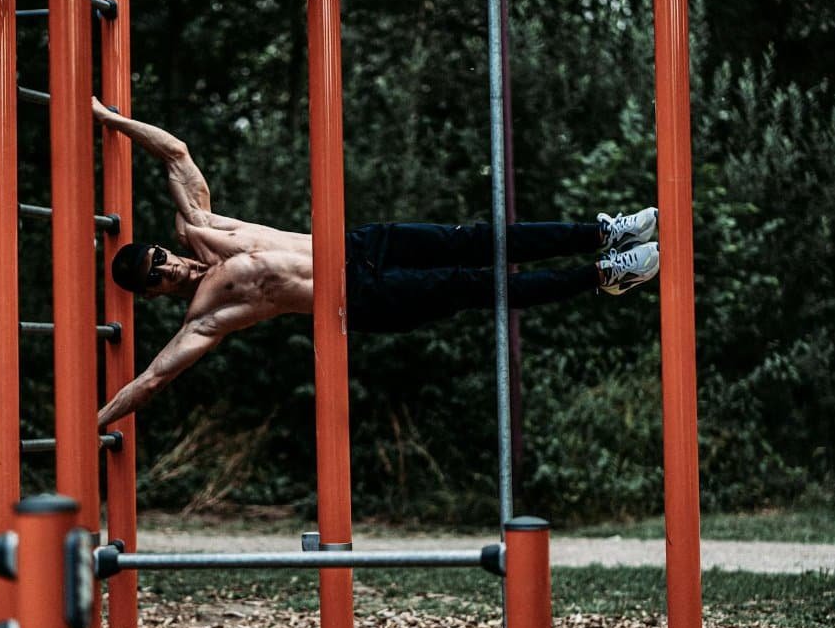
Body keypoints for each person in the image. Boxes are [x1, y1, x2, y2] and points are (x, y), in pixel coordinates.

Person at [91, 99, 660, 427]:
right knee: (477, 286)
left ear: (164, 247)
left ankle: (603, 231)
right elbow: (154, 379)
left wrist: (105, 116)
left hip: (362, 245)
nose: (168, 269)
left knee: (480, 238)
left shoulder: (204, 227)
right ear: (154, 294)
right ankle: (607, 274)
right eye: (156, 278)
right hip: (360, 300)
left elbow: (176, 153)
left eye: (159, 259)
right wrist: (94, 425)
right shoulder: (205, 315)